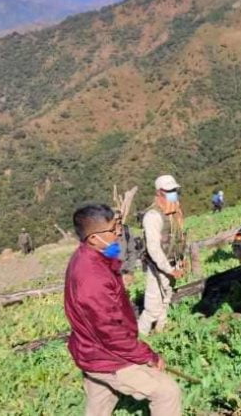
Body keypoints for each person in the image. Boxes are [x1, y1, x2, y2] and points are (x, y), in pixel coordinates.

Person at [64, 204, 181, 416]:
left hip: (90, 350)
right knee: (167, 392)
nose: (118, 232)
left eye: (117, 226)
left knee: (99, 407)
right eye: (112, 230)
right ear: (92, 238)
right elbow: (110, 332)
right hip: (107, 355)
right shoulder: (92, 279)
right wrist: (148, 356)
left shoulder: (88, 256)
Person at [138, 175, 187, 336]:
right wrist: (168, 269)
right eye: (169, 191)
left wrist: (181, 261)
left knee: (166, 300)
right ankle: (140, 336)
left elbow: (179, 238)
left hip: (172, 263)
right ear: (159, 193)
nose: (173, 194)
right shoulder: (153, 216)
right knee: (152, 307)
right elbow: (154, 249)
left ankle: (161, 331)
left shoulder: (173, 213)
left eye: (175, 190)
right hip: (158, 267)